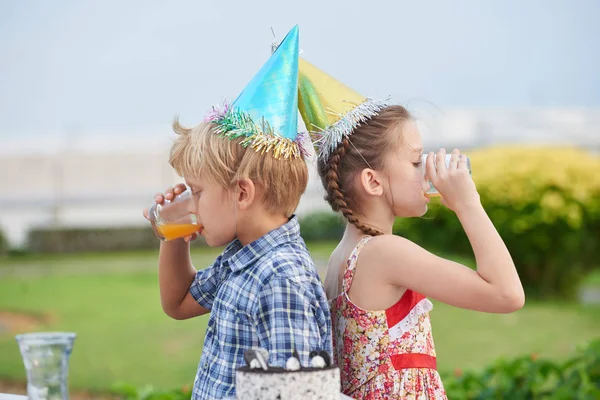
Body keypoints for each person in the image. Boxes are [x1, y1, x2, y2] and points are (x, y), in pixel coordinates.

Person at [296, 58, 525, 399]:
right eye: (416, 161)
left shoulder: (341, 258)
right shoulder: (385, 252)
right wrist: (468, 203)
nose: (425, 171)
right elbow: (507, 294)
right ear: (373, 181)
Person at [146, 26, 332, 399]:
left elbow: (295, 395)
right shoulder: (242, 258)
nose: (191, 203)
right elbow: (178, 302)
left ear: (242, 192)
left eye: (197, 192)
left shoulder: (280, 280)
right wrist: (175, 233)